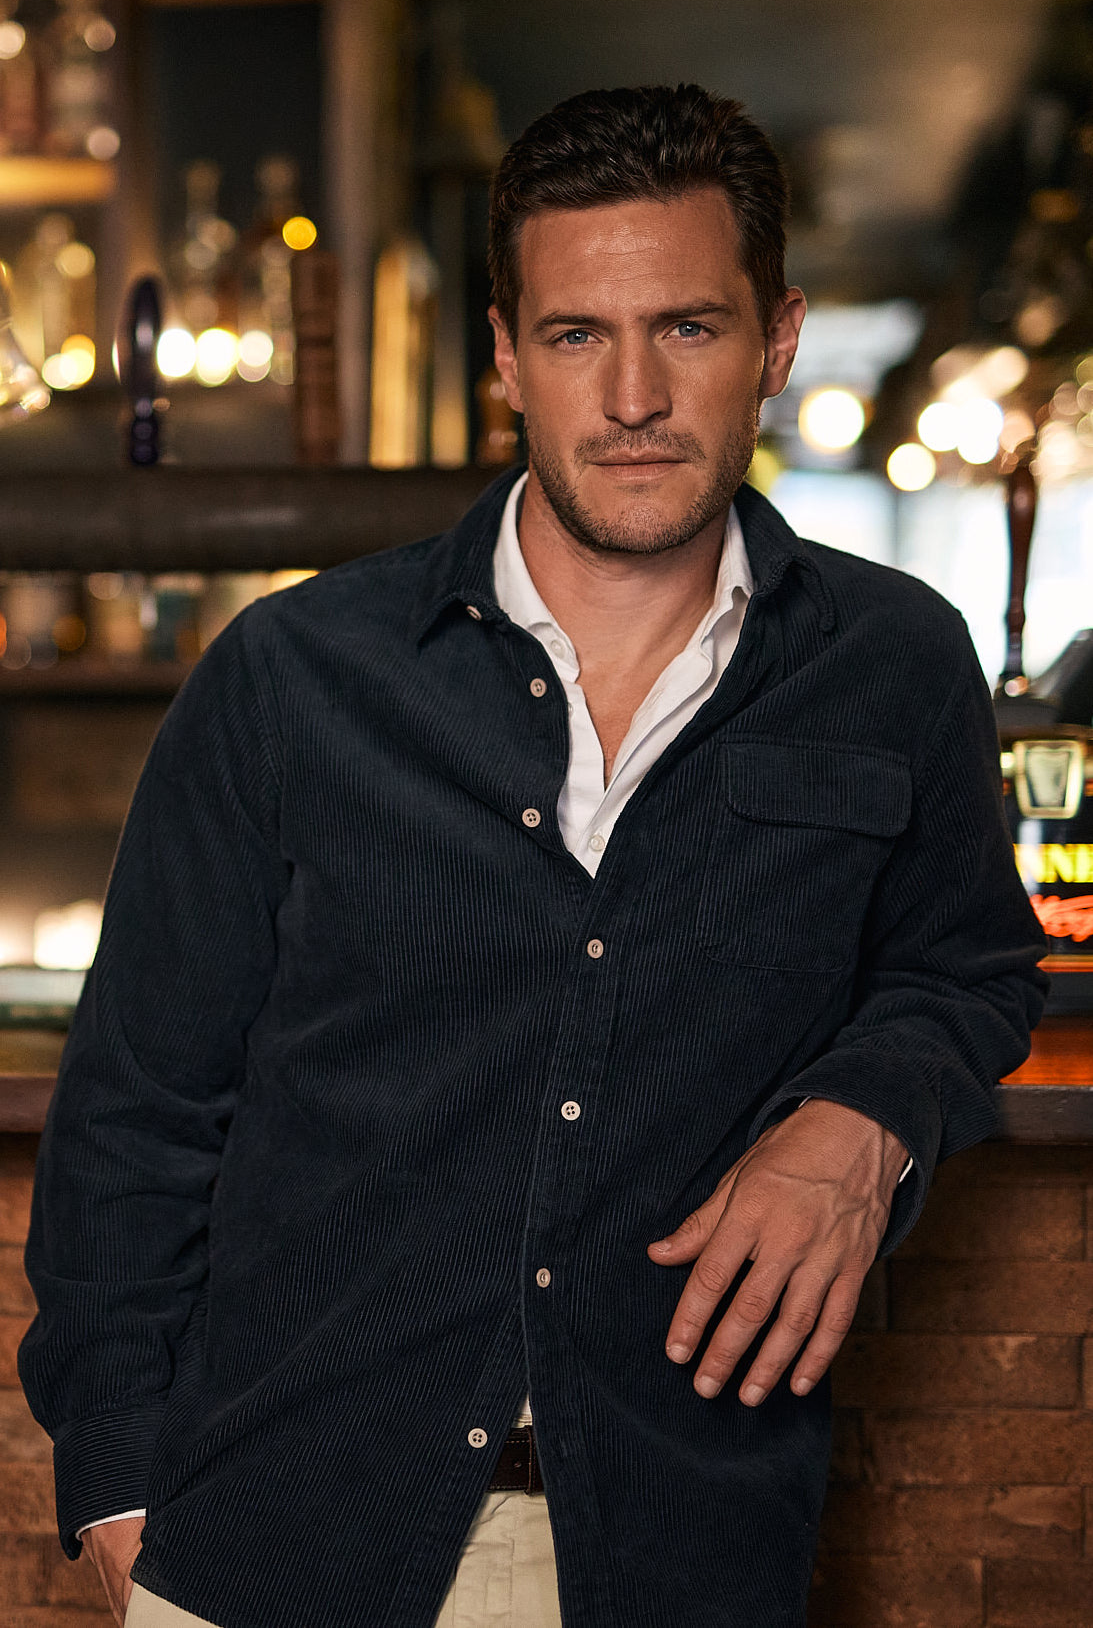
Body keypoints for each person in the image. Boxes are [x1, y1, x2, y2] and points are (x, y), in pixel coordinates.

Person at [20, 83, 1046, 1628]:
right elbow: (134, 1113)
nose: (631, 395)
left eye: (687, 328)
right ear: (506, 355)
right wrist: (116, 1485)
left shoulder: (891, 662)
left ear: (775, 339)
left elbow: (965, 966)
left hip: (678, 1556)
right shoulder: (292, 677)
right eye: (576, 335)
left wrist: (862, 1122)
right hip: (273, 1550)